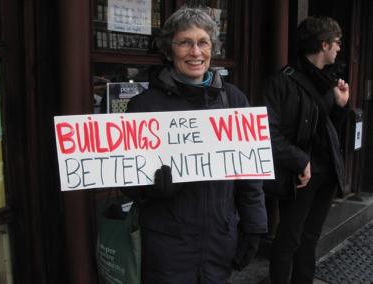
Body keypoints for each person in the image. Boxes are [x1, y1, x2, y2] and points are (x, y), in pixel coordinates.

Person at [125, 7, 267, 283]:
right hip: (166, 247)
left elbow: (249, 175)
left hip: (218, 241)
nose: (195, 52)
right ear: (169, 50)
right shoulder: (144, 106)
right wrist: (148, 187)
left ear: (212, 48)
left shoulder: (233, 100)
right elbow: (125, 177)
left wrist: (254, 226)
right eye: (184, 42)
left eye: (203, 42)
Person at [263, 16, 349, 284]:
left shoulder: (331, 81)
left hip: (326, 173)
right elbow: (268, 133)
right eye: (337, 43)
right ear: (323, 44)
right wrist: (300, 161)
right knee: (289, 239)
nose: (339, 49)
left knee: (310, 239)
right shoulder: (280, 82)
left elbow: (330, 131)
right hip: (298, 175)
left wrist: (340, 106)